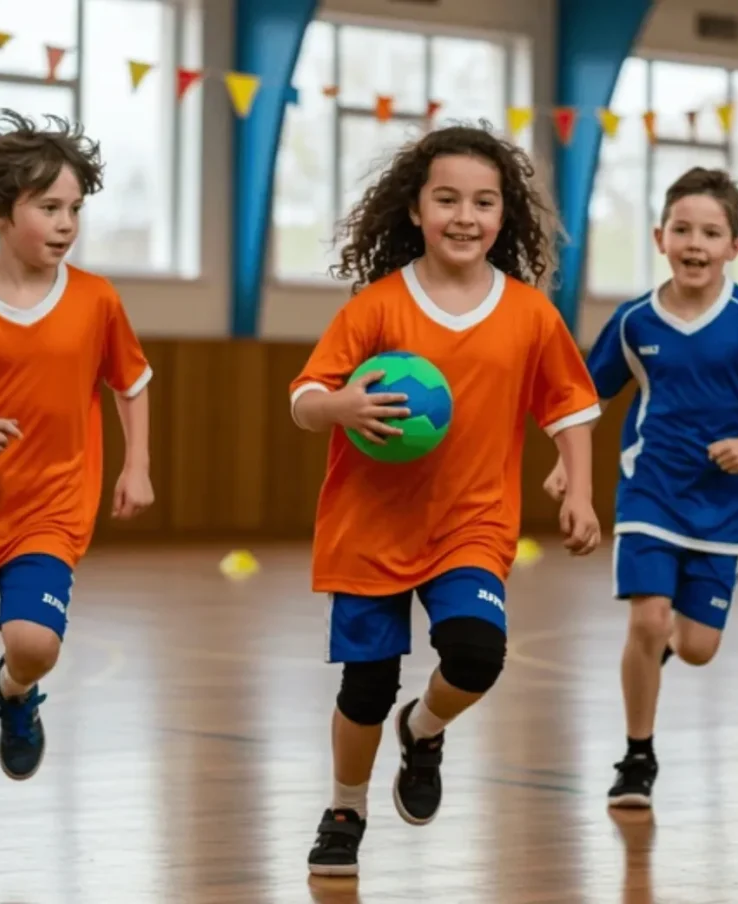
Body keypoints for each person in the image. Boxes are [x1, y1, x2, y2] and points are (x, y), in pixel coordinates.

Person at [289, 123, 603, 877]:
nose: (466, 217)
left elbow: (570, 407)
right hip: (370, 527)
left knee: (476, 655)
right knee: (366, 686)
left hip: (472, 522)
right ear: (415, 209)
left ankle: (423, 728)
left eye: (484, 202)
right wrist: (340, 407)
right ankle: (345, 809)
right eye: (447, 200)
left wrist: (582, 491)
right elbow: (304, 398)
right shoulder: (376, 309)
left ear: (505, 214)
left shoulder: (530, 313)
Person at [0, 109, 155, 851]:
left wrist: (136, 464)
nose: (66, 223)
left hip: (51, 506)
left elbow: (132, 383)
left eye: (75, 208)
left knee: (33, 642)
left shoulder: (97, 299)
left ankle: (17, 692)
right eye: (49, 207)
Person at [543, 166, 738, 808]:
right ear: (660, 237)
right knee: (648, 617)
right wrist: (566, 462)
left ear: (734, 246)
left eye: (712, 233)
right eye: (683, 230)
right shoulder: (635, 321)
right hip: (649, 492)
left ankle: (658, 649)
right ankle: (637, 757)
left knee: (696, 647)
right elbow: (587, 397)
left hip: (724, 505)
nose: (696, 243)